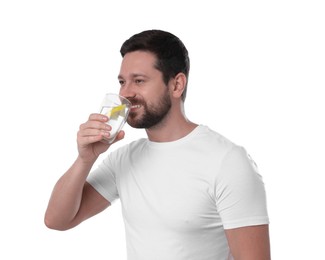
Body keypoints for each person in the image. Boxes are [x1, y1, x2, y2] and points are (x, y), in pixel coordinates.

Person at [45, 29, 271, 260]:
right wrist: (86, 158)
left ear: (176, 85)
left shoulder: (227, 161)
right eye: (122, 82)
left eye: (139, 81)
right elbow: (57, 220)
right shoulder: (124, 159)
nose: (125, 93)